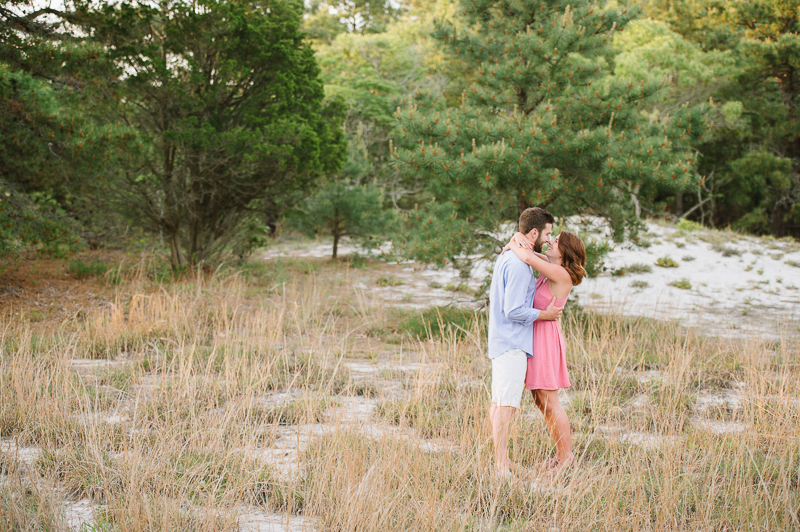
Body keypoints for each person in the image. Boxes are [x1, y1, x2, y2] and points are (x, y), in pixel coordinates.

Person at [488, 207, 563, 478]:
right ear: (534, 233)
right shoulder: (520, 265)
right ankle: (500, 466)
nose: (548, 239)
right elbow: (513, 310)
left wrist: (514, 241)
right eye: (547, 233)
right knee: (505, 405)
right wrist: (545, 314)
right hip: (512, 342)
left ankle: (503, 461)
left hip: (502, 340)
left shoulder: (509, 255)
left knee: (499, 403)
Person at [504, 230, 587, 475]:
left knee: (550, 402)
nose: (550, 241)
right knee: (540, 401)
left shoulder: (561, 274)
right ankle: (561, 454)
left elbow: (528, 258)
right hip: (535, 337)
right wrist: (515, 241)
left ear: (565, 252)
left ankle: (567, 459)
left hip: (546, 341)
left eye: (556, 241)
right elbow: (529, 252)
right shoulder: (550, 267)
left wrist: (513, 245)